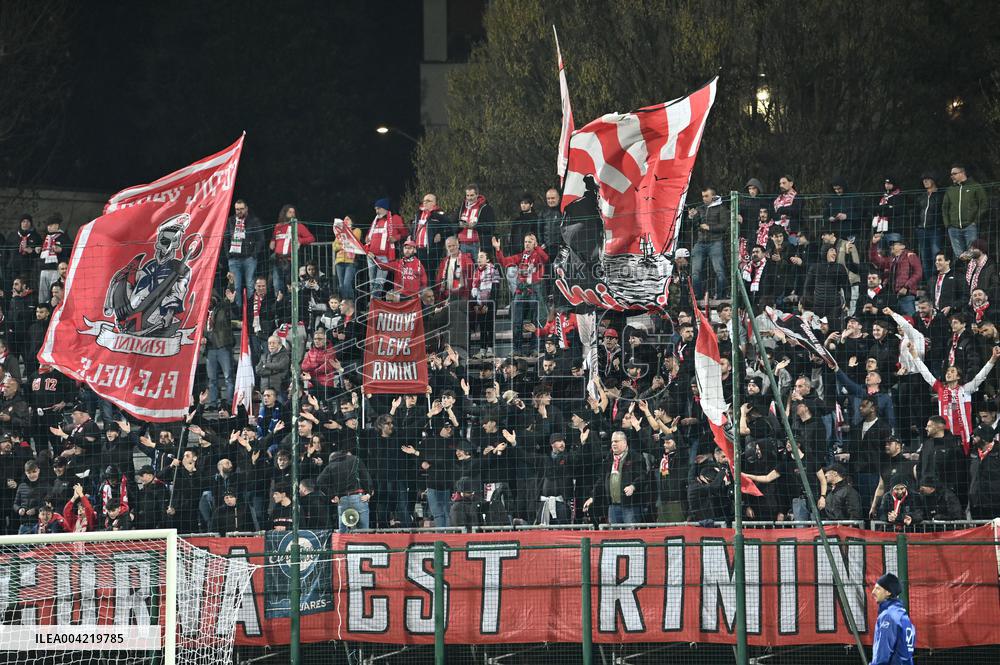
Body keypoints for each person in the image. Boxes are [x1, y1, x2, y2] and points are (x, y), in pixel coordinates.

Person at [688, 187, 728, 300]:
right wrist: (691, 217)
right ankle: (697, 297)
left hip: (715, 242)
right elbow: (693, 225)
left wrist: (710, 227)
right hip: (700, 242)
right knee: (695, 271)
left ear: (713, 196)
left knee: (719, 270)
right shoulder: (700, 208)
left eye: (706, 196)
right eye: (703, 196)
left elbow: (724, 226)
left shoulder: (721, 208)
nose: (704, 198)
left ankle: (720, 296)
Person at [224, 199, 264, 308]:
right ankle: (238, 314)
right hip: (234, 259)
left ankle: (251, 312)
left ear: (246, 209)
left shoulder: (254, 221)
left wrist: (254, 254)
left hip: (249, 259)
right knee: (236, 286)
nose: (239, 211)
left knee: (250, 285)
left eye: (241, 209)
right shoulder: (230, 221)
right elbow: (225, 239)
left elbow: (260, 239)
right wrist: (228, 255)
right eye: (237, 209)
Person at [870, 573, 915, 665]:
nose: (873, 592)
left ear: (888, 592)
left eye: (878, 589)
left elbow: (882, 654)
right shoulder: (902, 615)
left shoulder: (888, 616)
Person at [942, 163, 987, 256]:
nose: (952, 176)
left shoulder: (975, 186)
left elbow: (983, 204)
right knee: (959, 256)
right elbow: (945, 208)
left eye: (954, 174)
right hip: (953, 228)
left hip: (970, 227)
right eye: (951, 174)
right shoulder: (950, 190)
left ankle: (972, 271)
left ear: (962, 173)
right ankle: (961, 271)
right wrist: (948, 224)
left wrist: (975, 221)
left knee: (972, 254)